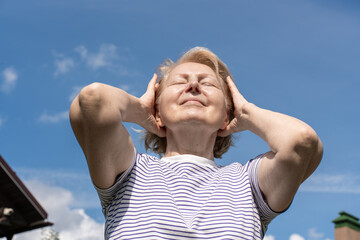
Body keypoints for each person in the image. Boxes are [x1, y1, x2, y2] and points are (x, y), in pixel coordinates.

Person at [69, 47, 323, 240]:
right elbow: (94, 100)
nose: (192, 85)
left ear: (227, 115)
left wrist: (247, 112)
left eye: (208, 83)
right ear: (157, 111)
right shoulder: (130, 172)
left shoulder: (248, 184)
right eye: (179, 82)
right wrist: (139, 111)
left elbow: (302, 141)